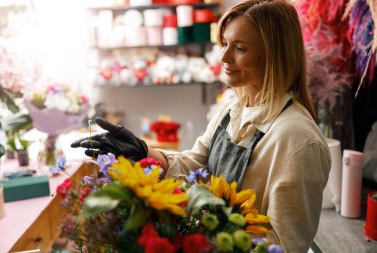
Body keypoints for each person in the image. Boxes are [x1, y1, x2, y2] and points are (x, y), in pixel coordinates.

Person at [71, 0, 331, 252]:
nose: (224, 56)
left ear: (275, 55)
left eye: (240, 48)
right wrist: (144, 152)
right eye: (225, 44)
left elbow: (285, 245)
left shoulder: (297, 139)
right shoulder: (231, 110)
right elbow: (196, 165)